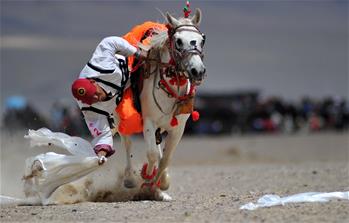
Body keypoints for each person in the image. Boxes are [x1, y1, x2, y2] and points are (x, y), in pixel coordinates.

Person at [71, 36, 146, 162]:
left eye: (94, 93)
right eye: (91, 99)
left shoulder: (100, 65)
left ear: (93, 81)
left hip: (129, 57)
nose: (96, 98)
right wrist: (101, 156)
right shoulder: (89, 109)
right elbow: (102, 134)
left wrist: (137, 53)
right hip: (126, 88)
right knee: (130, 121)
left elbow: (109, 42)